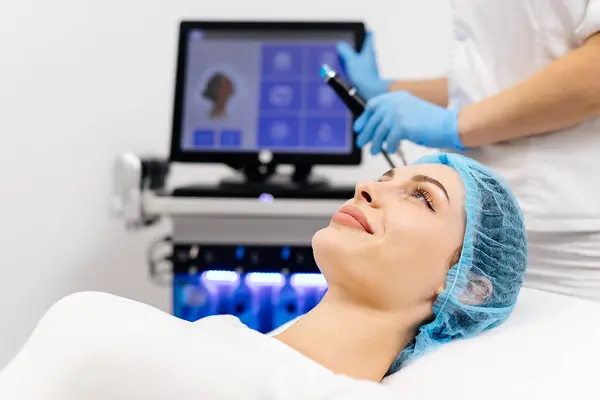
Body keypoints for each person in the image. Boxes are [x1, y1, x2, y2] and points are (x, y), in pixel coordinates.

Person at [0, 153, 527, 398]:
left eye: (420, 197)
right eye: (386, 176)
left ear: (465, 285)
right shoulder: (223, 342)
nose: (368, 187)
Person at [337, 2, 600, 302]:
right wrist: (388, 90)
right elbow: (490, 84)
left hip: (569, 236)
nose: (364, 190)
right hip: (479, 232)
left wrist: (454, 125)